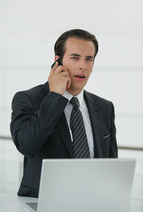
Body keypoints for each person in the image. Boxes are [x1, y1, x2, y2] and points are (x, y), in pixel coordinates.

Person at [10, 29, 118, 198]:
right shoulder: (28, 99)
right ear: (57, 61)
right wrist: (54, 96)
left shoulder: (105, 107)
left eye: (89, 59)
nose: (83, 65)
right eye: (75, 57)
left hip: (93, 204)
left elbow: (111, 165)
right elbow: (26, 145)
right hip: (41, 207)